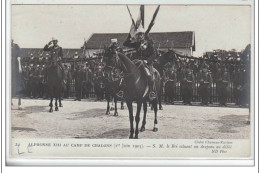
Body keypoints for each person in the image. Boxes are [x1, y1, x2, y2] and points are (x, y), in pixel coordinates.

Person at [123, 25, 157, 100]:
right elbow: (125, 44)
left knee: (150, 76)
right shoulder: (137, 44)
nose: (140, 36)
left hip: (146, 63)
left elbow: (154, 54)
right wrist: (130, 36)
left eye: (141, 34)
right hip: (137, 62)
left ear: (143, 35)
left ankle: (151, 92)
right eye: (138, 34)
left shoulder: (149, 43)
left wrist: (147, 60)